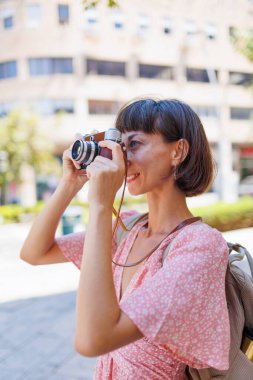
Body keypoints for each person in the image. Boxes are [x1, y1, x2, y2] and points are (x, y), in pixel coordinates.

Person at [20, 98, 230, 380]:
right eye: (120, 147)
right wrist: (70, 183)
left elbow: (92, 340)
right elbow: (34, 253)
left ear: (178, 150)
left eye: (134, 145)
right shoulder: (128, 228)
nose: (122, 158)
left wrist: (101, 205)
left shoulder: (200, 246)